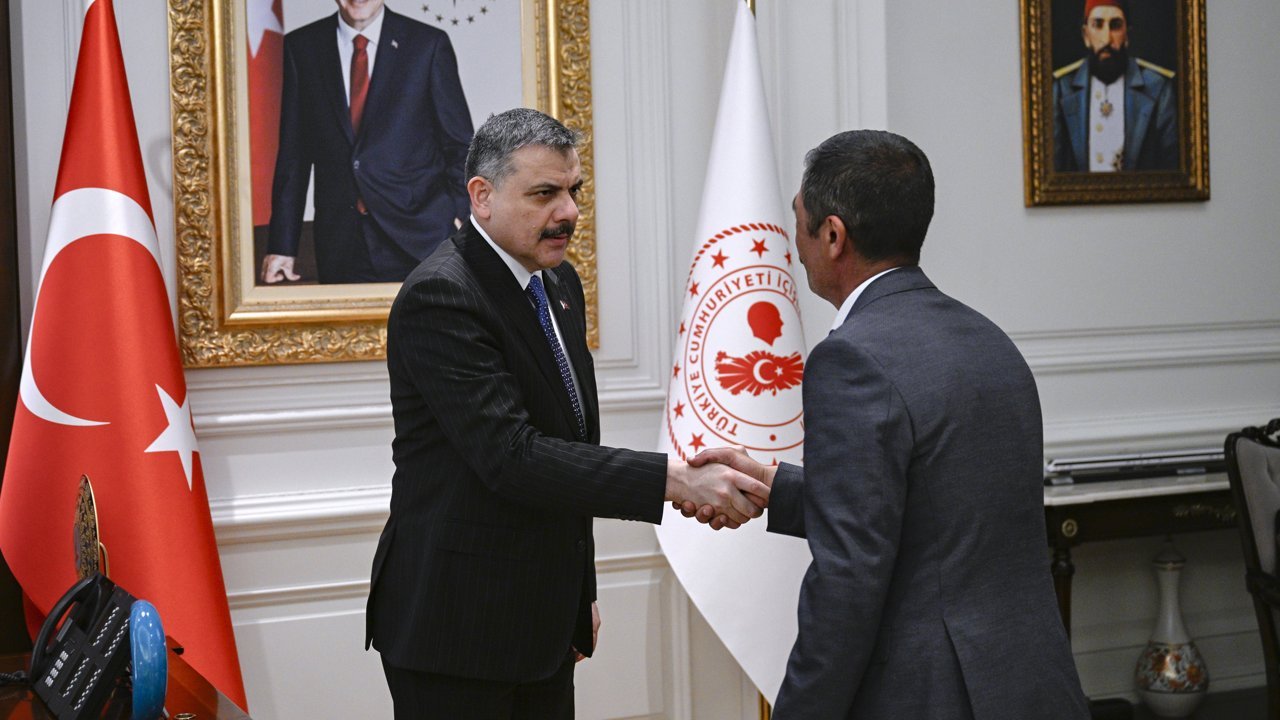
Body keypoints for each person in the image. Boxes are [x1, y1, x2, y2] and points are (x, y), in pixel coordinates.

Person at [365, 107, 769, 719]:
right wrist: (676, 479)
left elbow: (570, 443)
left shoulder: (558, 284)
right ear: (482, 196)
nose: (569, 212)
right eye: (544, 194)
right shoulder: (442, 295)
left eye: (574, 190)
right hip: (456, 629)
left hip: (542, 621)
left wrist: (578, 595)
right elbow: (513, 457)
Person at [682, 130, 1090, 719]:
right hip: (1031, 682)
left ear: (833, 235)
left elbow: (848, 581)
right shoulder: (989, 338)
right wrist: (780, 488)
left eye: (798, 220)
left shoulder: (852, 359)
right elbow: (941, 512)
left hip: (936, 693)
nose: (794, 243)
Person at [262, 0, 473, 284]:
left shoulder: (427, 45)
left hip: (422, 238)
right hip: (341, 244)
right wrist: (282, 246)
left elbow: (460, 146)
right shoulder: (302, 47)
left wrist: (457, 217)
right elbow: (293, 156)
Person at [1053, 0, 1178, 172]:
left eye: (1115, 26)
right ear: (1086, 36)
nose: (1107, 39)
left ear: (1127, 36)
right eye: (1098, 25)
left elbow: (1171, 169)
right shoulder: (1062, 89)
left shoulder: (1158, 88)